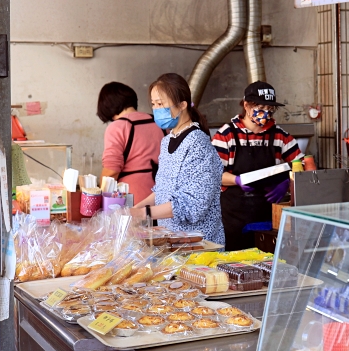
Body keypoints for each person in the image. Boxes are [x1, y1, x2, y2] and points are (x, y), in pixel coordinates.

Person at [134, 73, 225, 246]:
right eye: (153, 104)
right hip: (172, 244)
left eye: (161, 104)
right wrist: (134, 209)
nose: (156, 110)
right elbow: (162, 191)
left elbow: (192, 205)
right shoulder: (167, 141)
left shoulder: (198, 143)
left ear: (182, 105)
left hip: (198, 247)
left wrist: (143, 213)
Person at [213, 81, 301, 250]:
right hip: (233, 221)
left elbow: (304, 166)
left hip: (266, 220)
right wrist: (237, 180)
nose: (265, 114)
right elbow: (212, 175)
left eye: (270, 109)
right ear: (246, 105)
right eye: (260, 108)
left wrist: (288, 184)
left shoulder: (279, 136)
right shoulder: (226, 134)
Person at [97, 82, 163, 202]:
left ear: (107, 106)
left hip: (133, 201)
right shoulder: (161, 123)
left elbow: (111, 172)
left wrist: (100, 195)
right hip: (164, 198)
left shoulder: (118, 127)